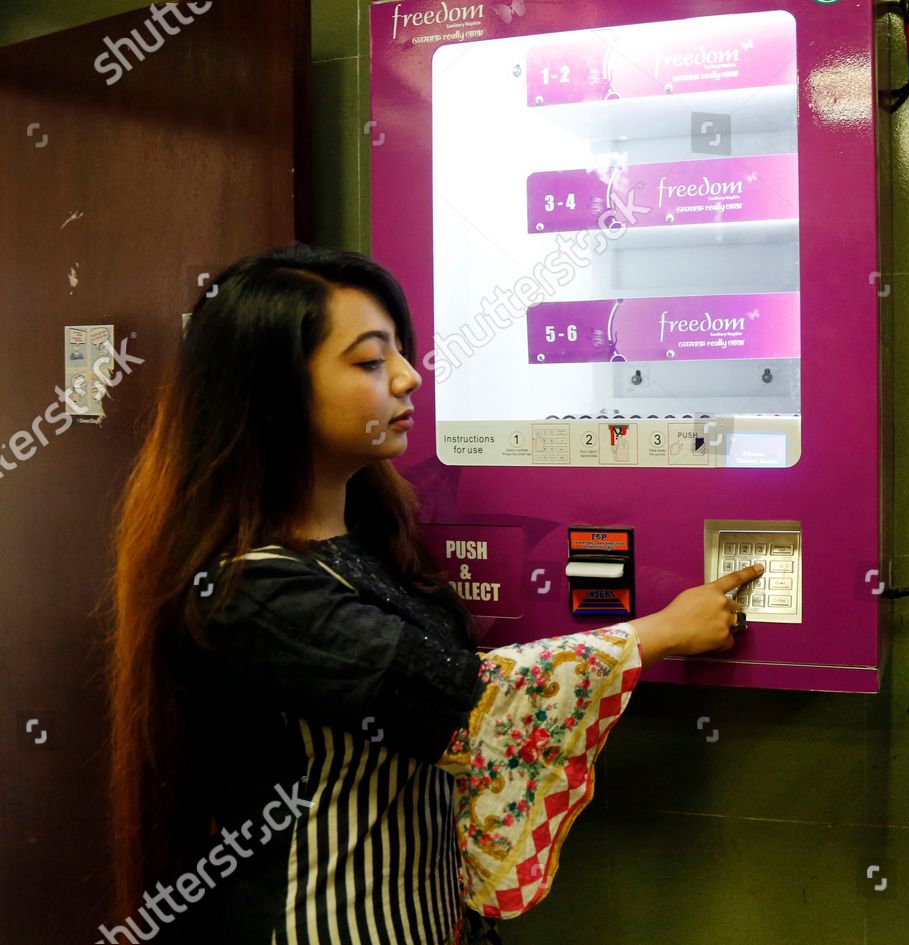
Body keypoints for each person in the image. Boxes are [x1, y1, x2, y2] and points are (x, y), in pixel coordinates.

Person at [104, 245, 762, 945]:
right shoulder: (249, 591)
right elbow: (469, 705)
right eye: (369, 361)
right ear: (271, 393)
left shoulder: (369, 542)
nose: (409, 376)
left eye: (399, 351)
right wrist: (661, 631)